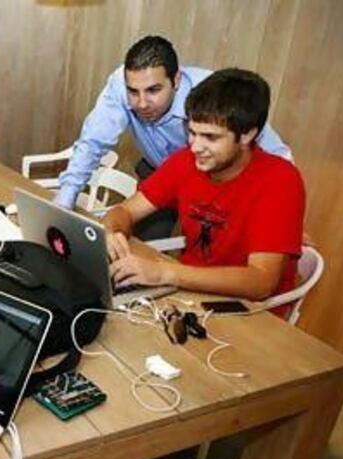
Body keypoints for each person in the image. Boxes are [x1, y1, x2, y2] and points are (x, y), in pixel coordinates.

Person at [102, 68, 305, 314]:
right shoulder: (186, 161)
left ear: (248, 134)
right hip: (186, 294)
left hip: (249, 312)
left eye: (210, 137)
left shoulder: (280, 180)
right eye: (192, 132)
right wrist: (112, 231)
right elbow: (124, 210)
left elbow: (261, 282)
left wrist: (165, 272)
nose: (196, 146)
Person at [55, 36, 292, 240]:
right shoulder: (121, 84)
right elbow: (93, 143)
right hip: (162, 173)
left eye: (153, 90)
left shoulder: (208, 97)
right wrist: (63, 204)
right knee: (139, 246)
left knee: (213, 253)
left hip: (218, 184)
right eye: (133, 92)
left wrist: (284, 219)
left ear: (176, 81)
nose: (142, 103)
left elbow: (277, 155)